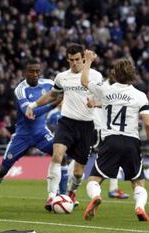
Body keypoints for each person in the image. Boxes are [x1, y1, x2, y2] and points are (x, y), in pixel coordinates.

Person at [80, 50, 149, 221]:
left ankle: (96, 196)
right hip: (131, 142)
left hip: (110, 140)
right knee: (138, 182)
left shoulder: (106, 90)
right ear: (132, 74)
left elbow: (84, 81)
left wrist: (88, 61)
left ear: (115, 73)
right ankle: (139, 207)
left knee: (94, 179)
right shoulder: (140, 95)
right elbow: (147, 124)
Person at [25, 43, 103, 210]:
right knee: (57, 155)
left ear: (83, 58)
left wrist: (95, 102)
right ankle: (51, 196)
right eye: (70, 60)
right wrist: (33, 105)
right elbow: (53, 94)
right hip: (67, 122)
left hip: (87, 126)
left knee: (77, 173)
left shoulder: (95, 76)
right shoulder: (62, 77)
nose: (74, 63)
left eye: (77, 60)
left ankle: (71, 191)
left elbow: (104, 99)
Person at [0, 59, 59, 191]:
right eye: (31, 71)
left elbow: (62, 92)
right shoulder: (20, 89)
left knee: (60, 156)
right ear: (25, 72)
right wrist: (53, 104)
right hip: (22, 136)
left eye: (37, 71)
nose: (35, 74)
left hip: (41, 133)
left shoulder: (48, 84)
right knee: (2, 170)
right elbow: (30, 113)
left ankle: (56, 196)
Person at [88, 97, 130, 199]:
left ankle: (113, 189)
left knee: (114, 155)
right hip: (96, 128)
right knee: (82, 159)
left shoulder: (105, 90)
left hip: (102, 128)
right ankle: (70, 190)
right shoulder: (97, 87)